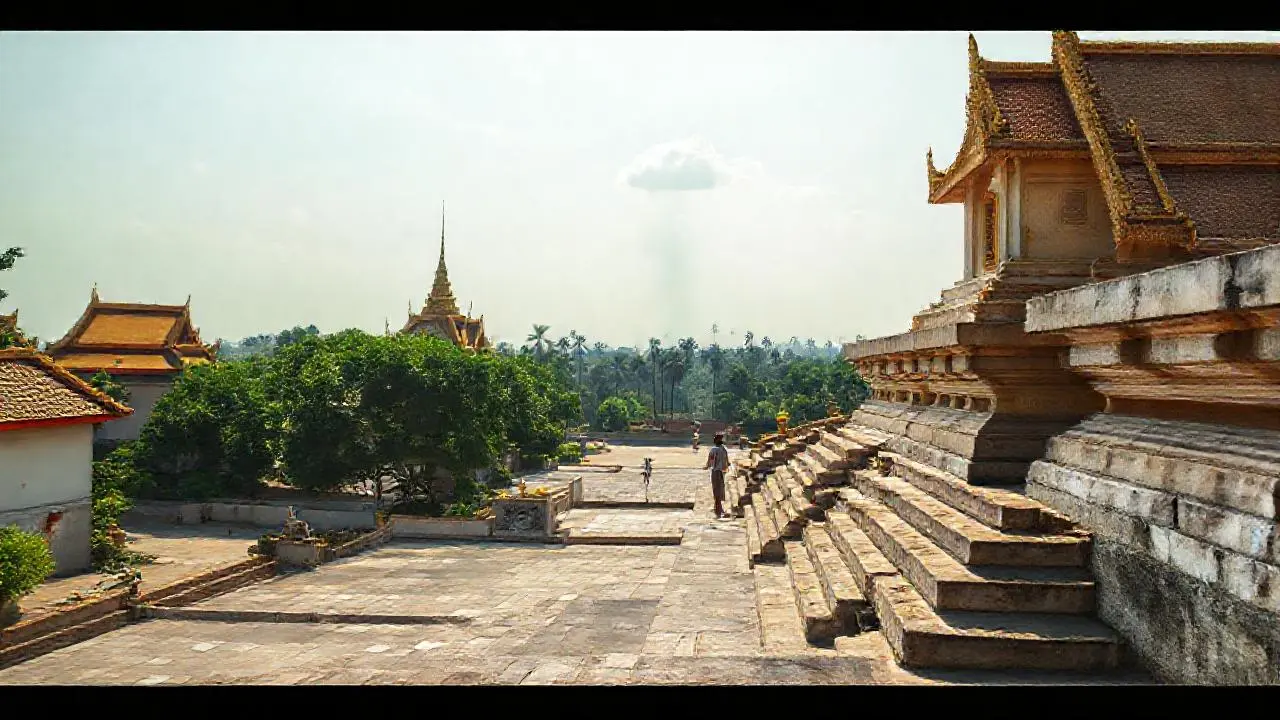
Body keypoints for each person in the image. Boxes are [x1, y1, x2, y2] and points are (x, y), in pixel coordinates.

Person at [703, 432, 731, 519]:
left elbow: (710, 461)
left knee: (716, 490)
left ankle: (718, 508)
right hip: (722, 472)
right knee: (720, 489)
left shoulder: (714, 450)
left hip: (716, 472)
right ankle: (718, 508)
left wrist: (706, 466)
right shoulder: (724, 449)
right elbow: (728, 462)